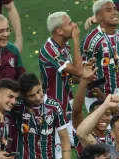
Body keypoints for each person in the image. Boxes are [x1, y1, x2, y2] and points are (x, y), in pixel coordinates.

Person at [81, 1, 119, 109]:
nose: (115, 12)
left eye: (114, 9)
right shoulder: (91, 41)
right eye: (108, 10)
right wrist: (106, 102)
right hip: (97, 100)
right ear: (98, 17)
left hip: (118, 97)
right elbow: (87, 78)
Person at [40, 12, 83, 145]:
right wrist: (76, 39)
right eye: (69, 24)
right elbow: (78, 70)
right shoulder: (49, 50)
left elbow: (71, 77)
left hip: (66, 102)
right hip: (54, 107)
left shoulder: (64, 48)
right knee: (61, 150)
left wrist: (85, 74)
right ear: (59, 30)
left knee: (78, 145)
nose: (74, 26)